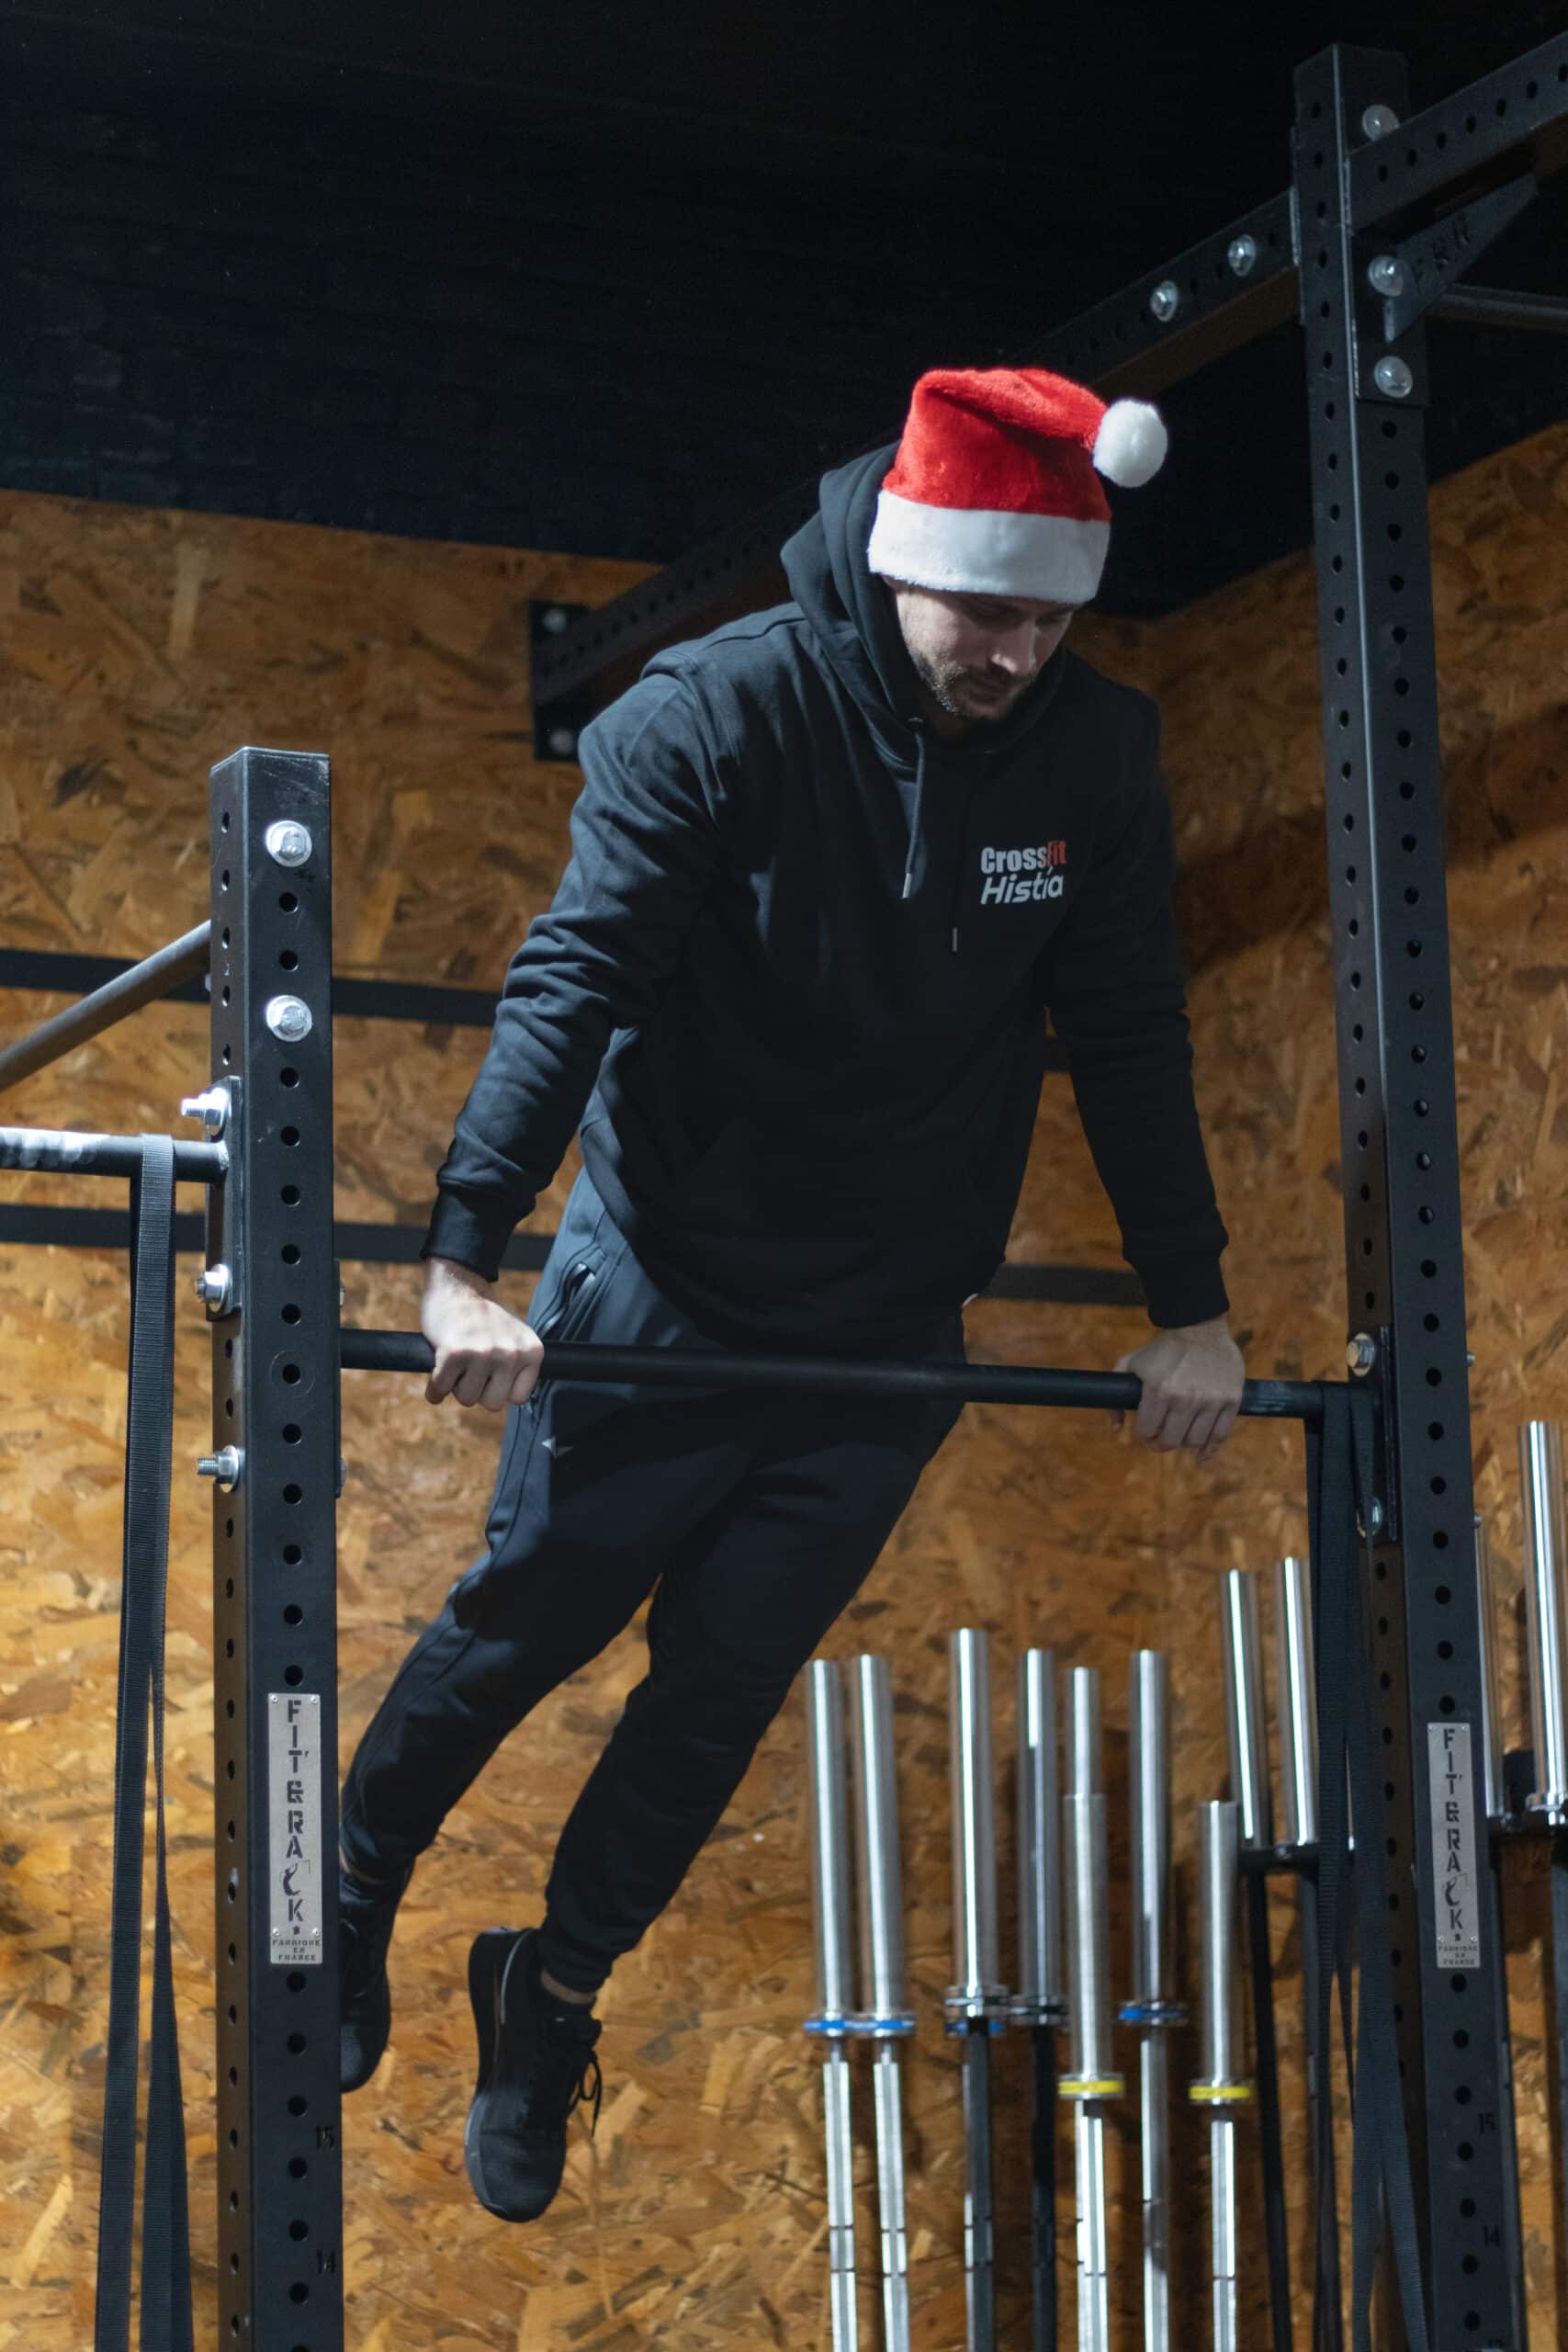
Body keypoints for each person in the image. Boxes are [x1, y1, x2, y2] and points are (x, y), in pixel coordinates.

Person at [336, 365, 1245, 2224]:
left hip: (883, 1323)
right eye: (979, 608)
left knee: (719, 1686)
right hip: (661, 1279)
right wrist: (459, 1265)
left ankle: (549, 1987)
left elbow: (1129, 1033)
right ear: (900, 564)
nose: (1010, 649)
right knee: (525, 1625)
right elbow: (573, 972)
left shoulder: (1095, 751)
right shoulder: (717, 706)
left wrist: (1193, 1301)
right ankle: (340, 1904)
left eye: (1046, 615)